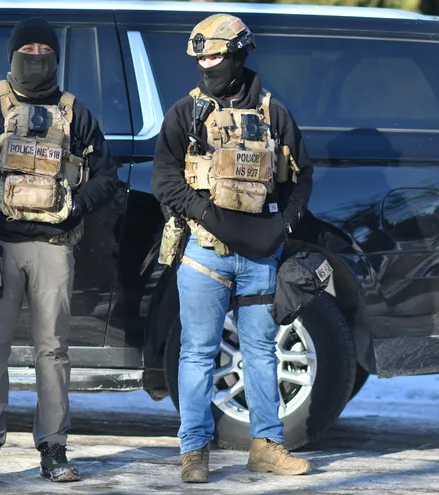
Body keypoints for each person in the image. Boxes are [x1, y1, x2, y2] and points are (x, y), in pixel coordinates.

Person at [0, 17, 118, 483]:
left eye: (46, 50)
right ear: (12, 54)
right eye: (29, 49)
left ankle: (54, 449)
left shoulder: (74, 113)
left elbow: (107, 177)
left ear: (57, 57)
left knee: (53, 351)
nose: (36, 56)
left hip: (53, 247)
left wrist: (73, 205)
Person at [151, 13, 314, 483]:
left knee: (262, 352)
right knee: (198, 354)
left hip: (261, 256)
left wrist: (280, 228)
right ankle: (194, 452)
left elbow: (300, 181)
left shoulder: (273, 114)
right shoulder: (185, 113)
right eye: (201, 57)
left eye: (216, 55)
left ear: (239, 53)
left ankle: (267, 445)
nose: (207, 63)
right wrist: (208, 218)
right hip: (203, 253)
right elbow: (164, 179)